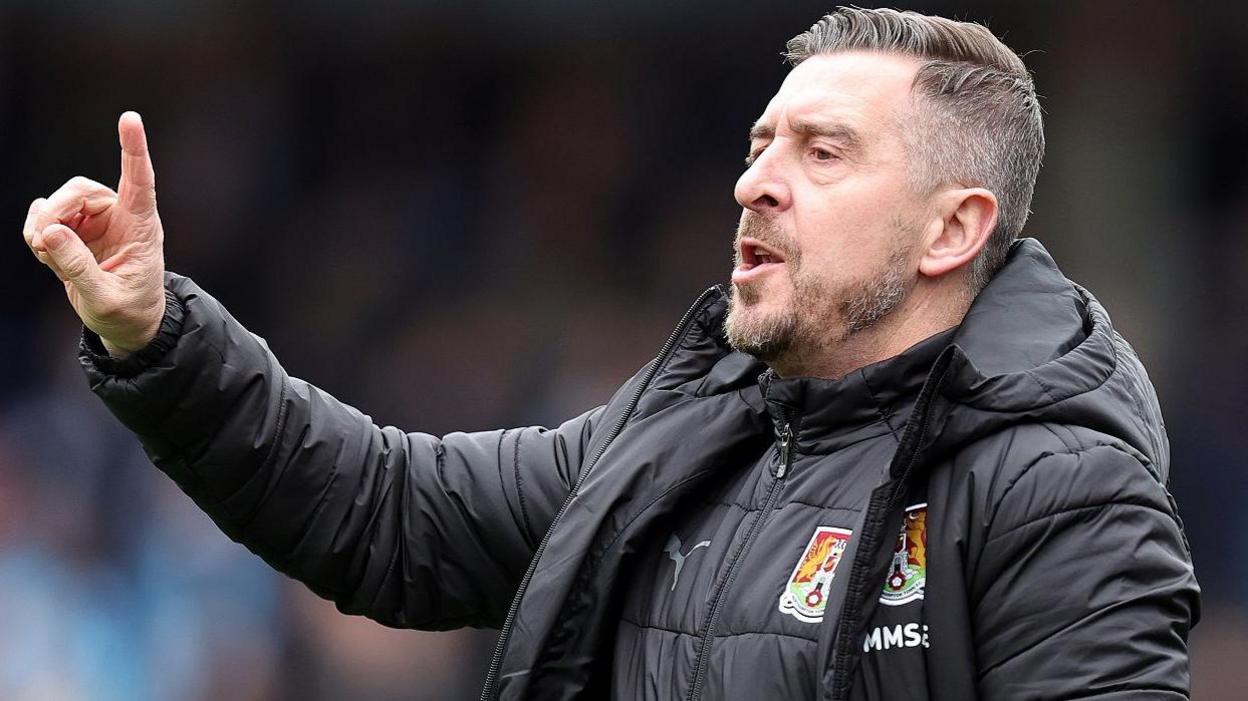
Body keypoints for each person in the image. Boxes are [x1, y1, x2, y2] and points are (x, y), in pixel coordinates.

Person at [22, 7, 1199, 700]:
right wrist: (156, 331)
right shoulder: (675, 432)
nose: (756, 179)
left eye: (824, 152)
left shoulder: (1057, 487)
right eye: (758, 142)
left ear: (955, 227)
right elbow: (386, 510)